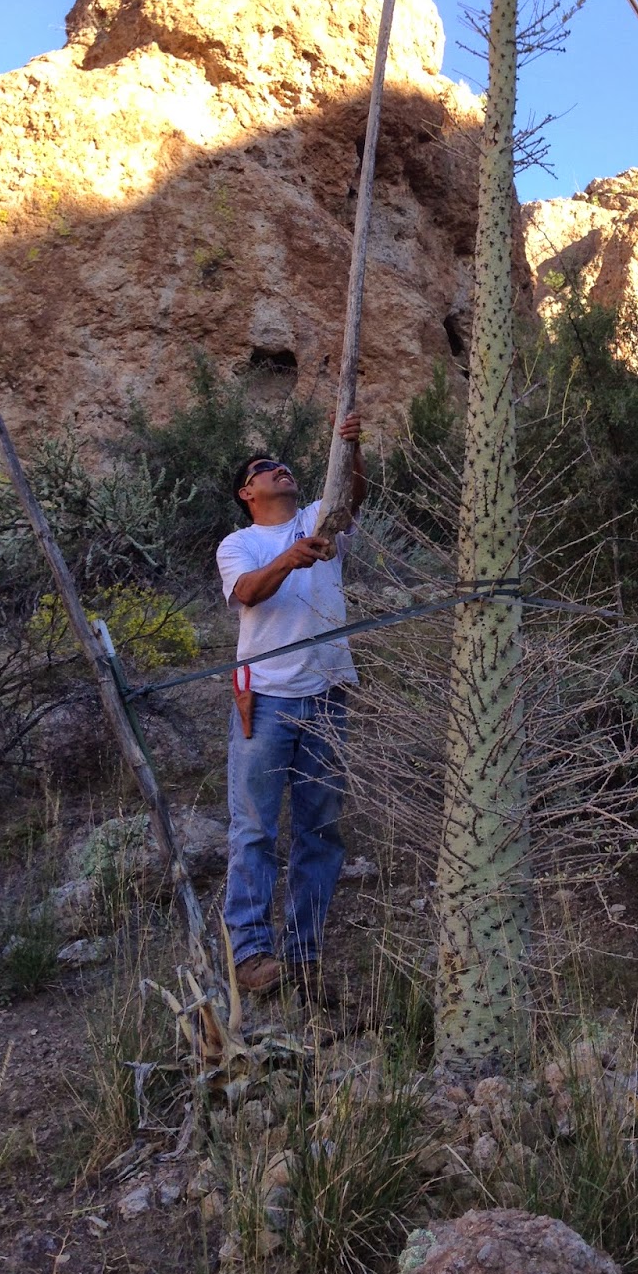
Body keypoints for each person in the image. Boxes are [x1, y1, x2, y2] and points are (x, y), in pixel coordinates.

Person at [216, 417, 367, 995]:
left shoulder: (317, 521)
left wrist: (350, 446)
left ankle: (302, 957)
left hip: (327, 697)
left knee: (320, 831)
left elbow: (351, 497)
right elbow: (248, 592)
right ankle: (252, 956)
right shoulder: (241, 544)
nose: (278, 468)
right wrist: (289, 559)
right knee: (254, 828)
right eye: (262, 469)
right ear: (246, 494)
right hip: (267, 699)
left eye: (281, 464)